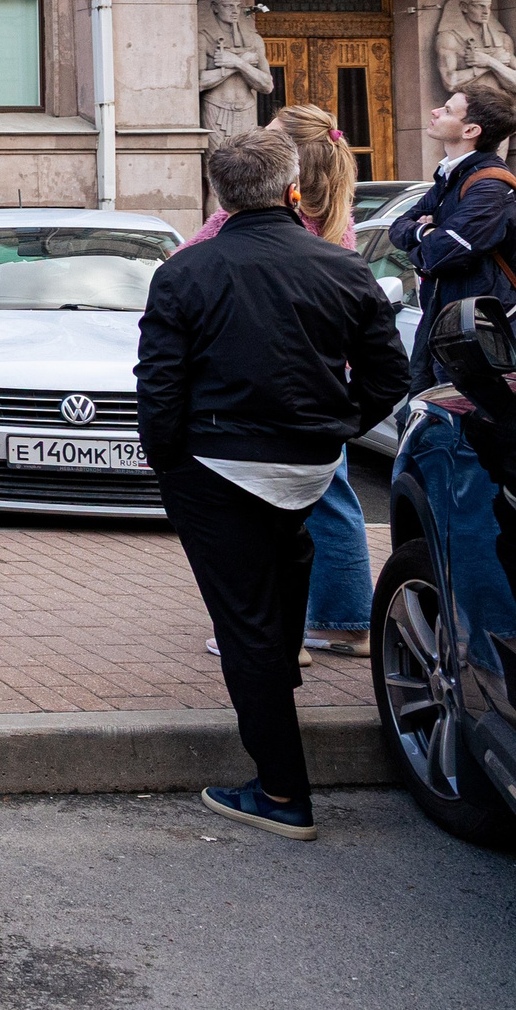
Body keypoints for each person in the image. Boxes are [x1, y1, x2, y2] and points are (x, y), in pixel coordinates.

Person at [138, 126, 409, 841]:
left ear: (219, 195)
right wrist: (336, 426)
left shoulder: (184, 273)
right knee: (277, 615)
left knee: (249, 629)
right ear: (292, 189)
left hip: (216, 466)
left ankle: (282, 791)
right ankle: (277, 737)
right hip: (305, 465)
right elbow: (390, 377)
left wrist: (167, 460)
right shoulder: (343, 268)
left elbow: (159, 387)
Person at [180, 104, 378, 662]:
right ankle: (345, 620)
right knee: (331, 499)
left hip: (248, 386)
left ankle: (273, 633)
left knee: (251, 513)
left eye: (267, 138)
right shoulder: (336, 220)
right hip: (320, 386)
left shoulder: (249, 217)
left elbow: (188, 267)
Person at [387, 82, 516, 391]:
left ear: (470, 130)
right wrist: (425, 232)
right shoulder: (451, 176)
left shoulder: (489, 187)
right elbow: (398, 226)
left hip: (480, 332)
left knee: (466, 426)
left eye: (446, 110)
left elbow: (440, 253)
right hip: (445, 321)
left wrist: (423, 240)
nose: (434, 111)